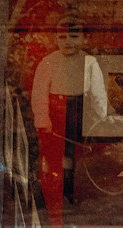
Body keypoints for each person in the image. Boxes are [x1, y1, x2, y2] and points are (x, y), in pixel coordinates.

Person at [31, 22, 109, 226]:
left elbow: (98, 93)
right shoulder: (48, 62)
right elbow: (39, 94)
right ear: (55, 38)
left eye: (74, 37)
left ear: (83, 39)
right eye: (62, 37)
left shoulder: (89, 62)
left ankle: (72, 193)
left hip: (79, 113)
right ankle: (53, 203)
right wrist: (42, 118)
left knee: (75, 155)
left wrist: (100, 117)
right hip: (54, 114)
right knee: (53, 159)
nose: (68, 42)